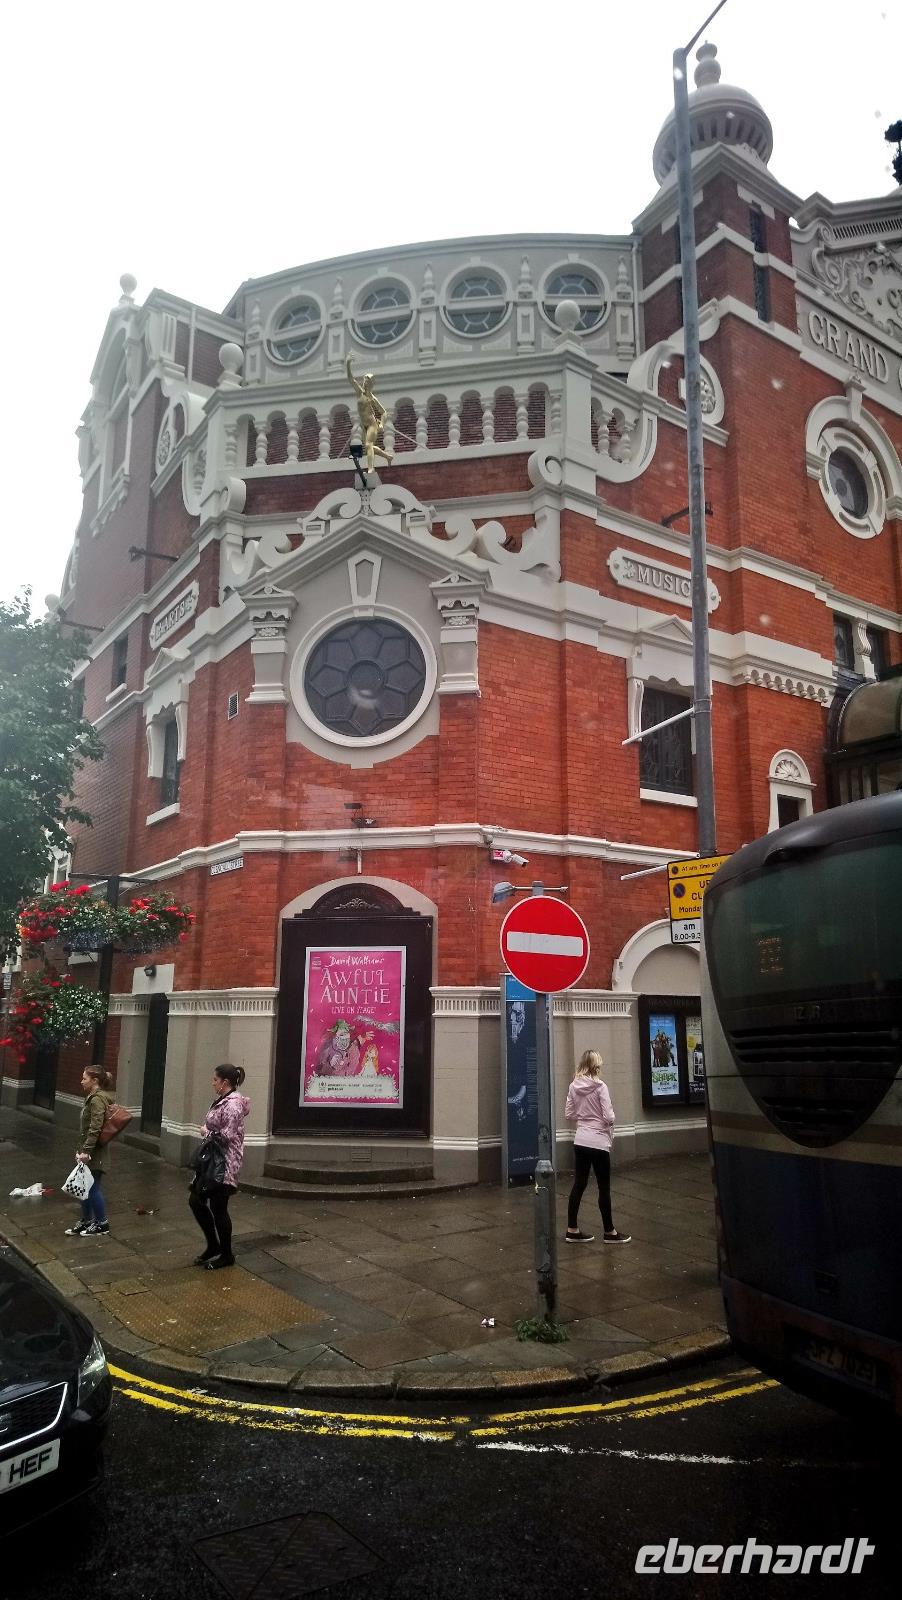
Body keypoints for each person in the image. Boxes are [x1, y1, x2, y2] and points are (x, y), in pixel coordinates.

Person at [564, 1050, 631, 1244]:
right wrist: (604, 1121)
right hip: (599, 1142)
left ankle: (572, 1229)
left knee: (579, 1184)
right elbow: (609, 1116)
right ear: (596, 1066)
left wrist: (584, 1117)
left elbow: (569, 1114)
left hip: (581, 1140)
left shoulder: (573, 1086)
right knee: (603, 1187)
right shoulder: (600, 1087)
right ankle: (610, 1232)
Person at [188, 1063, 250, 1270]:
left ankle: (226, 1254)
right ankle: (213, 1246)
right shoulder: (223, 1100)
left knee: (218, 1207)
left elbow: (227, 1136)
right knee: (196, 1200)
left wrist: (205, 1131)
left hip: (224, 1164)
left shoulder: (232, 1105)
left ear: (225, 1082)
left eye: (215, 1079)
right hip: (211, 1161)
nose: (212, 1083)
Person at [64, 1065, 116, 1237]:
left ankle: (102, 1223)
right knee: (84, 1186)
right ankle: (87, 1220)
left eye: (84, 1078)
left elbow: (95, 1127)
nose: (81, 1081)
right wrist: (81, 1150)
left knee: (92, 1188)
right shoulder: (93, 1097)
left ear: (94, 1081)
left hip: (95, 1153)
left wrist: (86, 1151)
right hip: (88, 1151)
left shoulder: (97, 1100)